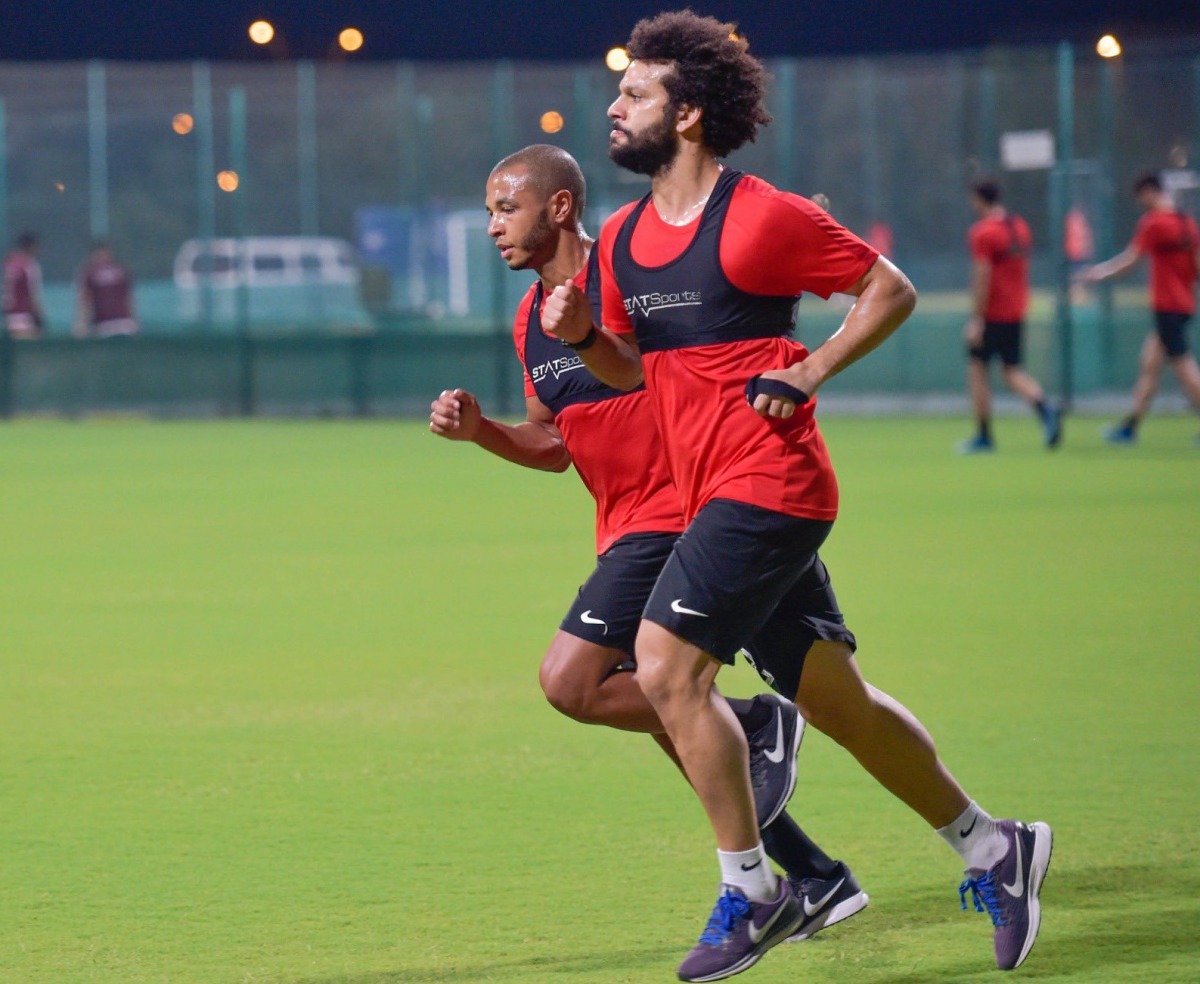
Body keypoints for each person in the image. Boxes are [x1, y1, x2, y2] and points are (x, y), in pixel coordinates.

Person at [541, 12, 1052, 981]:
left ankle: (758, 889)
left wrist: (811, 368)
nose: (614, 107)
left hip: (771, 485)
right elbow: (624, 372)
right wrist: (576, 337)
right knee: (838, 704)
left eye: (635, 93)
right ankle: (996, 847)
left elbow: (888, 289)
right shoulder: (622, 240)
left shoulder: (762, 215)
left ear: (687, 114)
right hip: (710, 499)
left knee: (663, 665)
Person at [429, 144, 868, 948]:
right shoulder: (531, 317)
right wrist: (482, 431)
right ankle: (812, 875)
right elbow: (552, 441)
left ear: (558, 207)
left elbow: (674, 363)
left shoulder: (631, 272)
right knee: (687, 713)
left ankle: (760, 730)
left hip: (690, 512)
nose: (492, 225)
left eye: (505, 207)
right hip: (631, 527)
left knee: (575, 681)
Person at [1077, 172, 1200, 444]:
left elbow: (1132, 260)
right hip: (1184, 305)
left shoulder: (1154, 223)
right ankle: (1130, 427)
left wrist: (1099, 273)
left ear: (1149, 191)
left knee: (1185, 368)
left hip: (1167, 306)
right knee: (1149, 364)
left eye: (1141, 196)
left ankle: (1130, 428)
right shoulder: (1187, 224)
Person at [960, 179, 1062, 453]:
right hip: (1016, 311)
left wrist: (976, 319)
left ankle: (984, 435)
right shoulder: (1019, 227)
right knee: (1012, 370)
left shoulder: (983, 232)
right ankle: (1045, 408)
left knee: (977, 371)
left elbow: (983, 277)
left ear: (980, 200)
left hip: (992, 313)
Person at [74, 242, 139, 339]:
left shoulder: (120, 271)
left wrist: (135, 319)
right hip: (103, 324)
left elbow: (129, 297)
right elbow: (86, 300)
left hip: (124, 321)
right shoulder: (89, 273)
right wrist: (81, 323)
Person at [3, 231, 46, 339]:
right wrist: (40, 319)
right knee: (30, 354)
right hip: (24, 318)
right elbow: (33, 296)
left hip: (7, 318)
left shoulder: (7, 263)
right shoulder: (29, 265)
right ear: (31, 247)